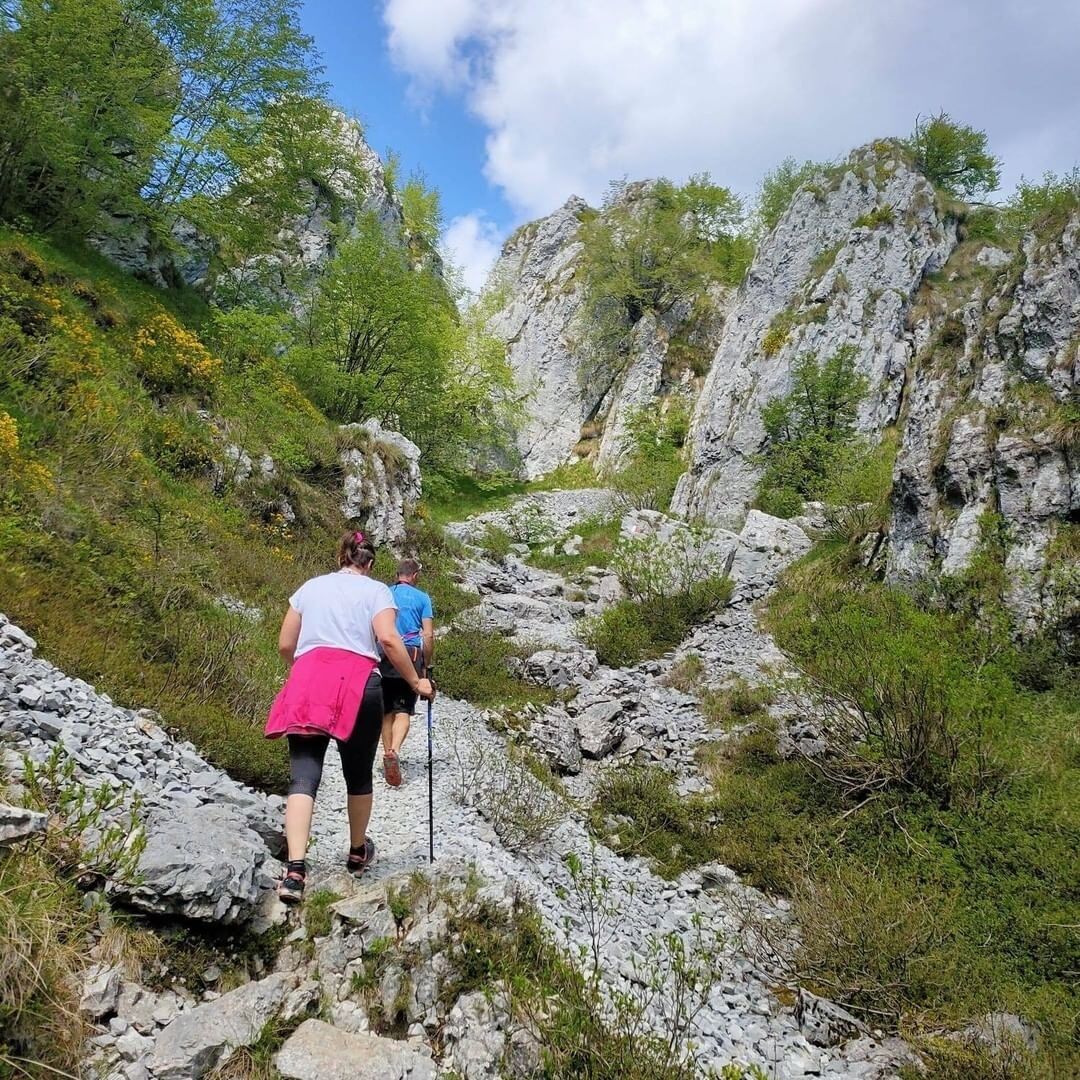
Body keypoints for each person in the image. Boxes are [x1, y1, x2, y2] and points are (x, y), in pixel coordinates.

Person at [265, 532, 434, 903]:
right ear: (369, 564)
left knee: (303, 774)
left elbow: (285, 644)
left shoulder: (310, 587)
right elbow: (388, 639)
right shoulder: (377, 592)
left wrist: (306, 668)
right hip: (358, 682)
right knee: (357, 774)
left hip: (308, 679)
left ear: (341, 557)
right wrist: (415, 681)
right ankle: (357, 851)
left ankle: (295, 870)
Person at [379, 557, 434, 788]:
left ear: (397, 574)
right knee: (403, 710)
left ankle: (386, 754)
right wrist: (425, 666)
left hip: (384, 654)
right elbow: (428, 635)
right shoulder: (422, 598)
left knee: (386, 711)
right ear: (415, 576)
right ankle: (395, 750)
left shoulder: (384, 594)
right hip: (410, 655)